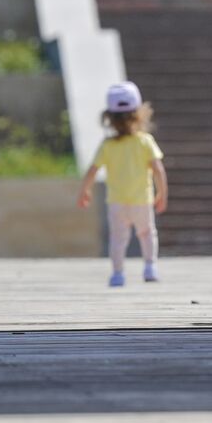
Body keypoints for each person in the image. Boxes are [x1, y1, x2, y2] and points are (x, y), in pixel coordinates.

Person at [76, 81, 168, 287]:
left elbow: (92, 170)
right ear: (140, 114)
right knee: (146, 233)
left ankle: (118, 274)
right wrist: (162, 193)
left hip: (117, 202)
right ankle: (150, 267)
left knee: (118, 239)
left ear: (109, 118)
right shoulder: (145, 141)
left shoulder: (107, 145)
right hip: (142, 200)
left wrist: (84, 191)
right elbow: (158, 169)